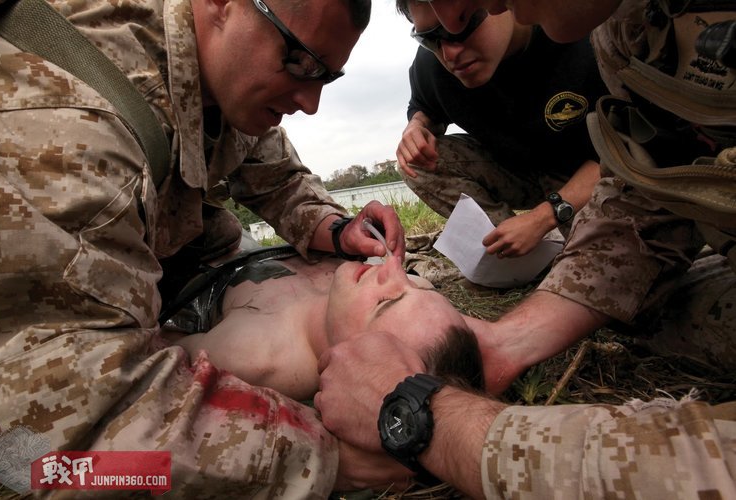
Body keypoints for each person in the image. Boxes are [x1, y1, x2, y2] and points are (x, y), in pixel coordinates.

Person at [314, 0, 736, 498]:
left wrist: (435, 425)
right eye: (432, 34)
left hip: (571, 183)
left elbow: (698, 472)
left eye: (469, 13)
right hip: (540, 183)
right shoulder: (632, 30)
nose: (450, 40)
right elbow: (643, 186)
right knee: (644, 313)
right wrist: (512, 338)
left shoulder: (588, 41)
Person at [0, 0, 406, 496]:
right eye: (300, 63)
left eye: (327, 78)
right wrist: (319, 459)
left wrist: (336, 228)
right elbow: (53, 437)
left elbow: (275, 176)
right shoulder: (71, 129)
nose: (311, 103)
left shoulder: (224, 74)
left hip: (169, 261)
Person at [395, 2, 607, 258]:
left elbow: (627, 151)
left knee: (605, 263)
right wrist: (416, 126)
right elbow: (423, 105)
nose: (450, 53)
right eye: (430, 38)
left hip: (588, 173)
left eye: (463, 25)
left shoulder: (582, 38)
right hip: (518, 169)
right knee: (416, 162)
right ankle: (509, 249)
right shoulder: (433, 65)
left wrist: (543, 217)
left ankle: (544, 235)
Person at [168, 250, 484, 402]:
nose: (395, 269)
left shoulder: (256, 357)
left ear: (353, 364)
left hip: (198, 266)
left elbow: (164, 350)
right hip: (257, 248)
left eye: (383, 303)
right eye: (419, 289)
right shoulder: (402, 288)